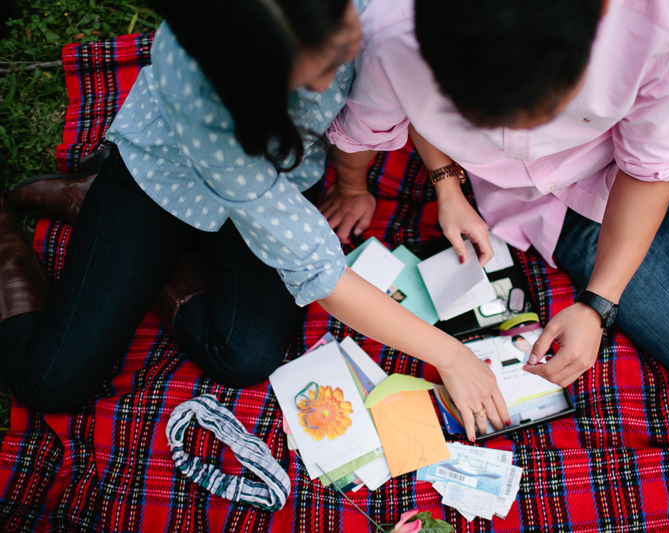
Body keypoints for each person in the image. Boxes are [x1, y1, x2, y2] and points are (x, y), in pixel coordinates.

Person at [0, 0, 508, 441]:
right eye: (305, 78)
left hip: (286, 172)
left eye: (338, 55)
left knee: (246, 355)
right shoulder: (198, 83)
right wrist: (451, 355)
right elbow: (316, 269)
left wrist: (444, 184)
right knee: (52, 381)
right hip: (167, 176)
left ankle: (153, 259)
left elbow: (401, 73)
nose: (330, 85)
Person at [324, 0, 669, 394]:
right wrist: (400, 182)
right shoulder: (391, 31)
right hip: (549, 205)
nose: (519, 134)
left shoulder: (666, 17)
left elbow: (648, 168)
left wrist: (599, 303)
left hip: (661, 105)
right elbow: (366, 126)